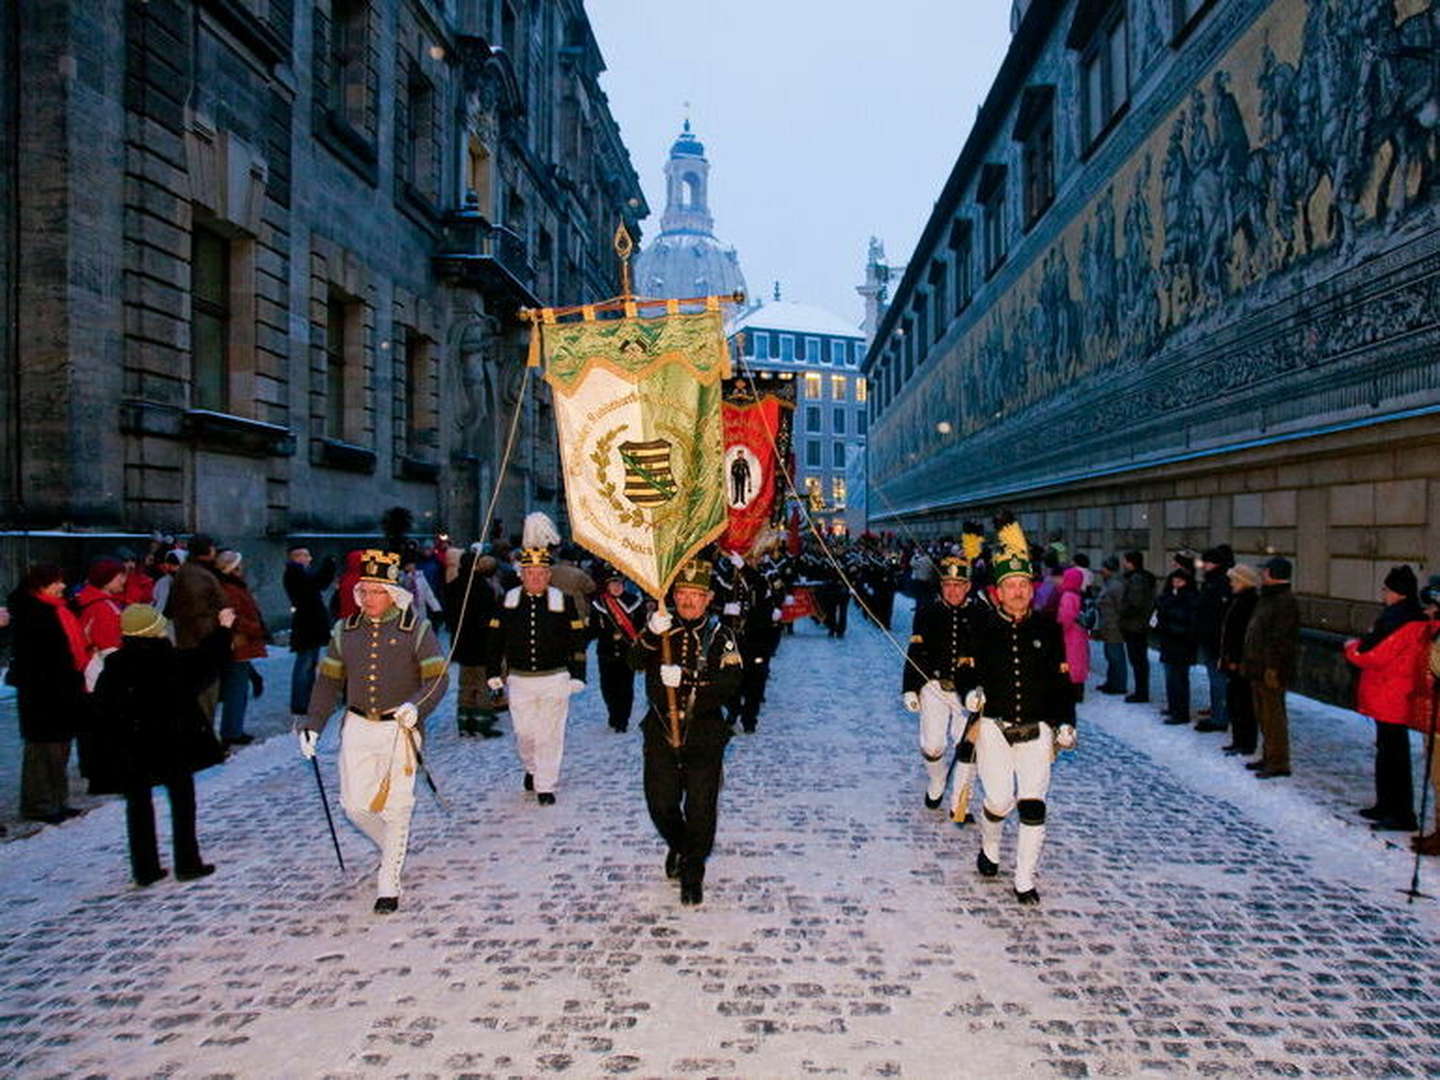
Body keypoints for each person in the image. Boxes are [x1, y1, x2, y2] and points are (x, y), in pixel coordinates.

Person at [302, 550, 449, 913]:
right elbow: (328, 681)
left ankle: (389, 880)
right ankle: (392, 848)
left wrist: (417, 706)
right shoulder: (345, 630)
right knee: (354, 806)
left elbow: (437, 678)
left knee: (398, 807)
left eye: (377, 591)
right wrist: (313, 724)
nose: (369, 599)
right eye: (364, 591)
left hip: (400, 729)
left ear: (394, 594)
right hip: (357, 726)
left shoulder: (416, 630)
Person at [966, 514, 1076, 905]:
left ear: (1032, 589)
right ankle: (990, 847)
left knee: (1033, 805)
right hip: (995, 728)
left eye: (1023, 585)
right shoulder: (983, 627)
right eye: (1010, 586)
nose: (1017, 592)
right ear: (998, 591)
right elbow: (968, 670)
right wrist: (970, 694)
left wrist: (1065, 722)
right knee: (998, 801)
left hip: (1037, 730)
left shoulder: (1047, 629)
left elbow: (1062, 683)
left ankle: (1025, 880)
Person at [92, 603, 234, 885]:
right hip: (173, 742)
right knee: (183, 802)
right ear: (154, 629)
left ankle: (145, 869)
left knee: (138, 806)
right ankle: (187, 863)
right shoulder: (169, 660)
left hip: (132, 745)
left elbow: (102, 710)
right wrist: (223, 630)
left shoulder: (115, 664)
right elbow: (206, 662)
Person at [630, 559, 744, 905]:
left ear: (708, 598)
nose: (688, 601)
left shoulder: (721, 635)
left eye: (695, 595)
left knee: (700, 806)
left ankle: (693, 870)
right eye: (682, 593)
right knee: (660, 802)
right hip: (662, 728)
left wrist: (689, 679)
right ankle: (680, 846)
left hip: (704, 731)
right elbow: (631, 661)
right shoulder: (660, 629)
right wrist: (651, 631)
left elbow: (732, 683)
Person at [484, 544, 587, 805]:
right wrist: (493, 672)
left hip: (555, 678)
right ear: (522, 574)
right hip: (520, 679)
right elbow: (494, 640)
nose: (536, 578)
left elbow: (577, 640)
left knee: (550, 734)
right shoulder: (507, 601)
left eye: (542, 573)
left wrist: (578, 674)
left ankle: (545, 785)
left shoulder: (562, 601)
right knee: (525, 733)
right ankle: (531, 768)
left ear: (549, 575)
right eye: (531, 573)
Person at [1345, 565, 1430, 832]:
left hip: (1393, 692)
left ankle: (1401, 813)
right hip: (1388, 692)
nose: (1383, 593)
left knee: (1395, 755)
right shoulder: (1399, 618)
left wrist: (1352, 649)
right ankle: (1386, 804)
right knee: (1387, 751)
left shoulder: (1404, 622)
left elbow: (1377, 655)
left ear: (1398, 593)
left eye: (1387, 589)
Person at [7, 564, 90, 824]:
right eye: (56, 582)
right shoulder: (33, 613)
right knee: (43, 750)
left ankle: (57, 800)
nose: (62, 586)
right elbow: (34, 659)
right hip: (42, 693)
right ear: (41, 585)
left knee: (59, 749)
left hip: (62, 688)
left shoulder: (56, 609)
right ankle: (39, 804)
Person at [902, 553, 983, 815]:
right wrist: (910, 688)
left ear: (968, 586)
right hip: (934, 686)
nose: (953, 591)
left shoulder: (981, 613)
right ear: (941, 587)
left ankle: (960, 803)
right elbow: (915, 650)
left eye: (958, 585)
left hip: (967, 691)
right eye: (947, 585)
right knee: (933, 745)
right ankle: (937, 779)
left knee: (967, 746)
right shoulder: (928, 611)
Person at [1243, 556, 1300, 779]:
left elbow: (1281, 639)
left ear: (1273, 574)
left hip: (1270, 669)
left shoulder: (1283, 601)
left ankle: (1278, 761)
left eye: (1265, 571)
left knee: (1273, 716)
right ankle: (1269, 755)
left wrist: (1273, 667)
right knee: (1264, 715)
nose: (1261, 574)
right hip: (1259, 666)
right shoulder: (1268, 598)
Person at [165, 533, 227, 725]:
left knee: (206, 695)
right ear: (207, 551)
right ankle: (202, 743)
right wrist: (215, 640)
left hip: (200, 643)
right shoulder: (195, 575)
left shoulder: (197, 572)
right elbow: (197, 614)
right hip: (200, 645)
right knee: (204, 695)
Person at [214, 551, 267, 749]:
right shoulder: (229, 589)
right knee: (237, 689)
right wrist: (254, 628)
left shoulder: (233, 586)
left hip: (241, 642)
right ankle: (231, 731)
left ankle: (233, 729)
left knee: (238, 687)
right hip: (238, 642)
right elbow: (234, 617)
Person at [449, 550, 504, 738]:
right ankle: (482, 724)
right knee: (481, 684)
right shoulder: (482, 588)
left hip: (461, 643)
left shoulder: (454, 585)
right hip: (480, 643)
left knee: (465, 684)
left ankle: (464, 723)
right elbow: (489, 618)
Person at [284, 545, 337, 725]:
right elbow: (317, 584)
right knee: (305, 664)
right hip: (307, 625)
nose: (309, 559)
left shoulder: (299, 574)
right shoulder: (296, 574)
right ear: (296, 557)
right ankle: (300, 703)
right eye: (305, 555)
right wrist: (328, 568)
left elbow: (317, 584)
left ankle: (305, 701)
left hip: (309, 625)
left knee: (309, 663)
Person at [589, 565, 645, 733]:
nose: (616, 587)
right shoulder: (600, 604)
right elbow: (593, 628)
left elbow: (641, 626)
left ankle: (623, 720)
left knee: (625, 687)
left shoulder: (634, 601)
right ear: (607, 586)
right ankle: (613, 715)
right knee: (607, 687)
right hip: (606, 652)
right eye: (613, 584)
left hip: (626, 652)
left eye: (619, 583)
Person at [1218, 564, 1260, 757]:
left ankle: (1245, 741)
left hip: (1241, 660)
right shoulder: (1240, 600)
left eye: (1234, 579)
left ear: (1243, 582)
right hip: (1233, 658)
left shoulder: (1248, 602)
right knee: (1235, 700)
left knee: (1243, 702)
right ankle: (1239, 739)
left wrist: (1234, 658)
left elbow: (1242, 634)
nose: (1231, 583)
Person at [1154, 567, 1200, 726]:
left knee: (1179, 679)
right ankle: (1174, 707)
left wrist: (1168, 623)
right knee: (1171, 678)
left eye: (1179, 581)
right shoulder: (1170, 596)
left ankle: (1180, 712)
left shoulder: (1190, 598)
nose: (1176, 583)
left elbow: (1188, 622)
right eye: (1174, 580)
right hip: (1170, 642)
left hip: (1181, 643)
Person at [1119, 551, 1157, 703]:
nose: (1124, 564)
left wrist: (1122, 611)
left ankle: (1141, 692)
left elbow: (1135, 603)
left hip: (1135, 625)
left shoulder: (1136, 579)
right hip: (1138, 624)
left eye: (1126, 561)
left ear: (1131, 563)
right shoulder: (1141, 577)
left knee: (1138, 660)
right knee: (1139, 660)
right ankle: (1141, 691)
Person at [1056, 567, 1090, 703]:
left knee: (1069, 663)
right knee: (1079, 664)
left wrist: (1057, 629)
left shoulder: (1067, 596)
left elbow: (1065, 618)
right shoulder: (1077, 594)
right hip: (1079, 634)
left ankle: (1072, 693)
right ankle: (1078, 692)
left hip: (1070, 636)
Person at [1095, 556, 1128, 694]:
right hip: (1108, 625)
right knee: (1110, 655)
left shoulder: (1116, 585)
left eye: (1103, 567)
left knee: (1116, 656)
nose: (1101, 570)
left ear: (1109, 569)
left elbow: (1121, 607)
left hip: (1114, 626)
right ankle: (1112, 682)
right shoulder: (1108, 583)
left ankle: (1119, 685)